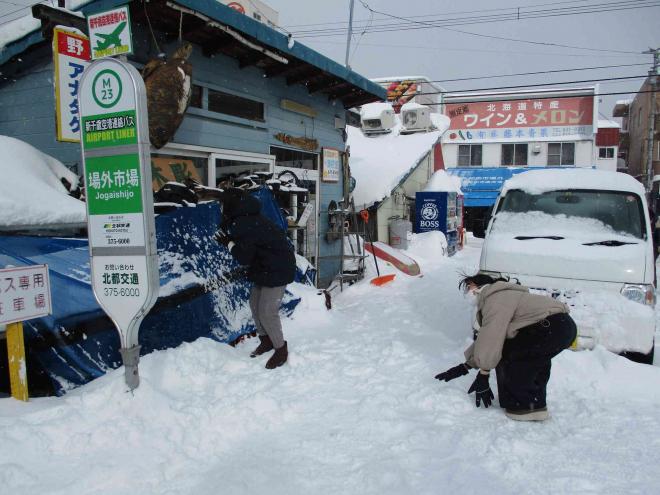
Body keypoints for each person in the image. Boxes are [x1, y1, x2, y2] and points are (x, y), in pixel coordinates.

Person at [434, 273, 577, 421]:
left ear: (480, 286)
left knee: (512, 356)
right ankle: (535, 405)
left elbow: (492, 336)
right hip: (560, 328)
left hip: (549, 328)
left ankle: (523, 406)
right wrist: (466, 366)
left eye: (469, 287)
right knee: (533, 361)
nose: (468, 292)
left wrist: (484, 374)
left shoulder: (496, 299)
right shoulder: (505, 296)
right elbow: (489, 338)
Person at [214, 188, 296, 369]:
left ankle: (281, 349)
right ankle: (266, 340)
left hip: (278, 268)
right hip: (265, 267)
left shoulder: (244, 223)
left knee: (267, 311)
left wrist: (228, 243)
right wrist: (230, 238)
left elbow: (244, 256)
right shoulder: (244, 218)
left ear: (230, 205)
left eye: (222, 204)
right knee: (254, 302)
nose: (220, 208)